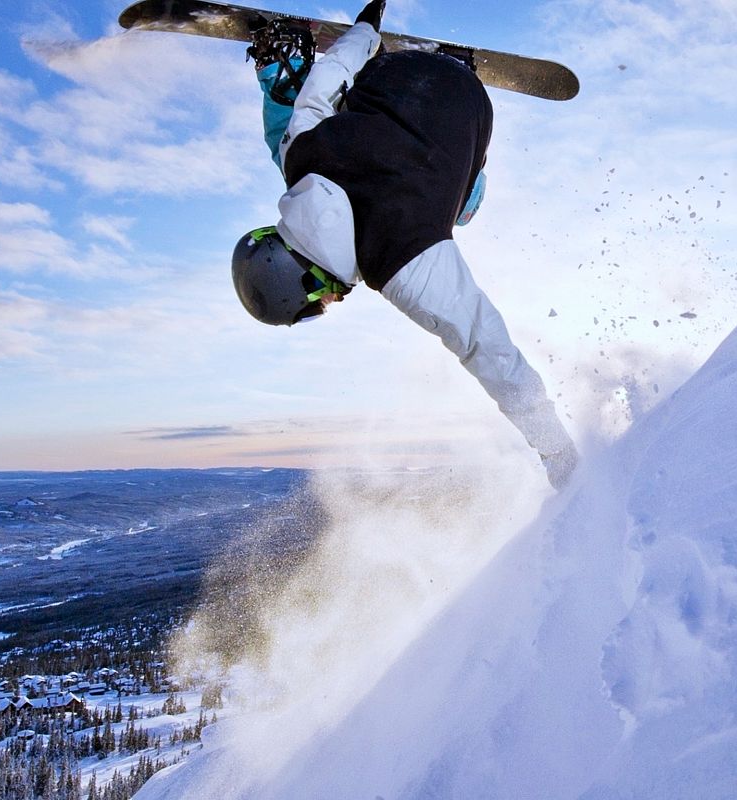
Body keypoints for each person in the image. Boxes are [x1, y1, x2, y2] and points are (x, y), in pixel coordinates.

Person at [229, 0, 579, 488]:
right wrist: (366, 31)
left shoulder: (402, 263)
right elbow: (322, 87)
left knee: (465, 208)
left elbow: (490, 350)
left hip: (468, 96)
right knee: (289, 134)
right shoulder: (300, 158)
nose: (330, 305)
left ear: (307, 280)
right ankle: (280, 59)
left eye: (316, 306)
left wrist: (555, 449)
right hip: (394, 72)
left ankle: (456, 73)